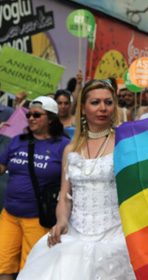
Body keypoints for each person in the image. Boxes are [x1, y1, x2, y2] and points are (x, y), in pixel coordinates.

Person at [16, 80, 136, 280]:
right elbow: (65, 197)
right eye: (95, 102)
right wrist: (61, 220)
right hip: (74, 234)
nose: (103, 108)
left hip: (116, 237)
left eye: (108, 102)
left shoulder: (124, 144)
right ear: (83, 108)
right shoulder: (70, 150)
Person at [0, 97, 70, 280]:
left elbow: (70, 183)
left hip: (38, 219)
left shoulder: (64, 146)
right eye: (29, 114)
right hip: (9, 216)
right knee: (3, 265)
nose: (31, 118)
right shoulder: (17, 141)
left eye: (37, 115)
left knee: (32, 270)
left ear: (52, 118)